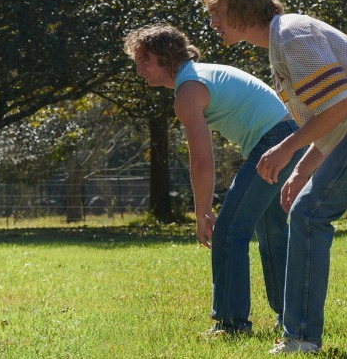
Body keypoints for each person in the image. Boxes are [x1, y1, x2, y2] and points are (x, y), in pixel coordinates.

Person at [202, 0, 347, 354]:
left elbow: (343, 105)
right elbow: (332, 116)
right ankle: (300, 334)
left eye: (216, 11)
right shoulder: (282, 40)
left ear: (240, 7)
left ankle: (301, 337)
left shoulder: (291, 33)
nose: (211, 21)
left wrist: (287, 148)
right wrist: (302, 170)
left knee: (308, 214)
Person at [123, 23, 304, 336]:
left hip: (276, 141)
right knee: (271, 229)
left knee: (229, 230)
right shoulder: (197, 76)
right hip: (289, 136)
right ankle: (291, 317)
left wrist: (203, 212)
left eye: (144, 60)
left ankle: (232, 324)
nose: (138, 70)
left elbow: (202, 162)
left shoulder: (188, 90)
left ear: (166, 58)